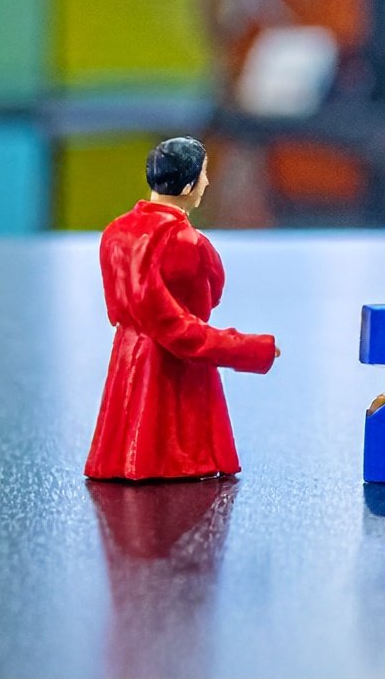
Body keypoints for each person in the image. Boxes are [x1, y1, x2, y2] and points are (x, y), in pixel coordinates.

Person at [88, 138, 280, 480]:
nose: (206, 183)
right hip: (174, 375)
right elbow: (190, 321)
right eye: (204, 175)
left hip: (126, 361)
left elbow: (116, 309)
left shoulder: (114, 233)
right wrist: (251, 348)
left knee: (129, 436)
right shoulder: (187, 242)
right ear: (189, 184)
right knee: (174, 447)